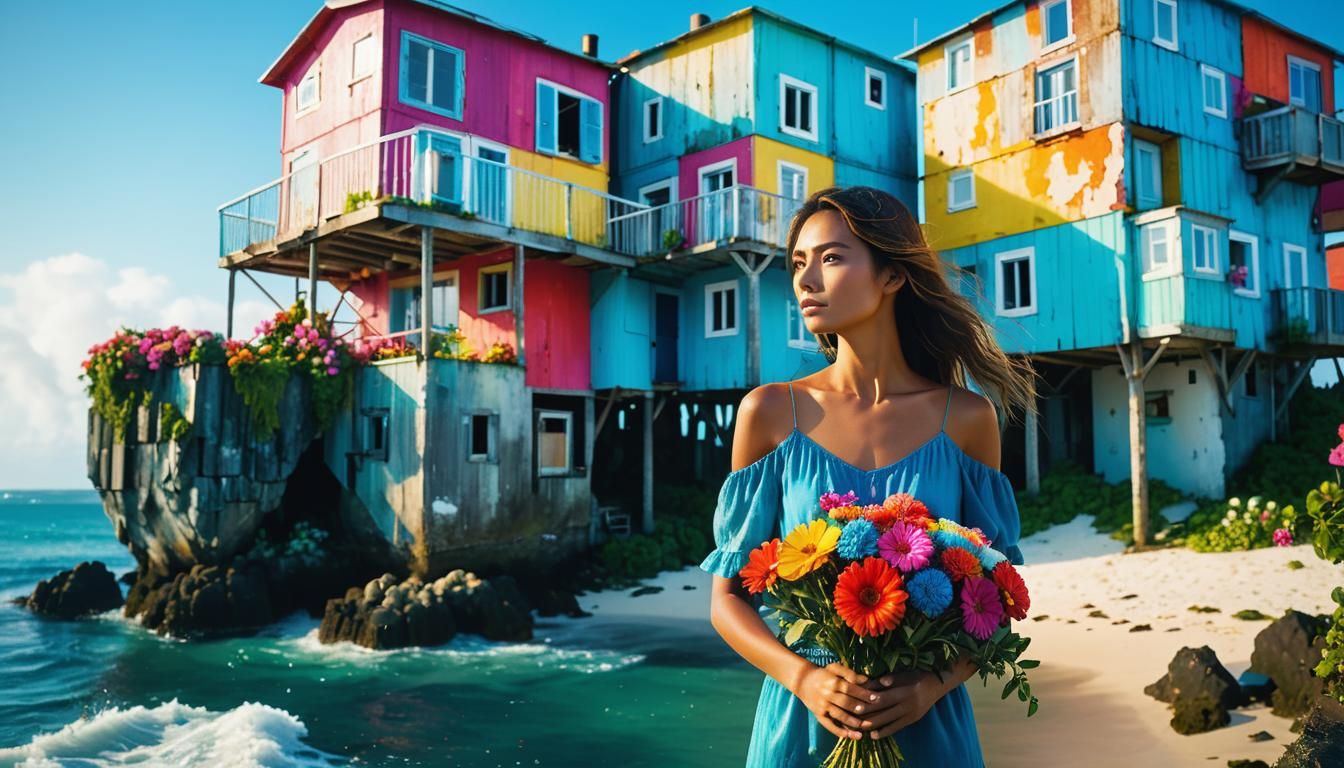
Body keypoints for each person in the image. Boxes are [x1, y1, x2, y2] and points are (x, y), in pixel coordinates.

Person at [700, 185, 1038, 766]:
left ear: (892, 275)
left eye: (830, 258)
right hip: (801, 727)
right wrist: (803, 678)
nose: (806, 281)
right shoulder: (769, 413)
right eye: (799, 263)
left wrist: (931, 686)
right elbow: (727, 599)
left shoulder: (968, 419)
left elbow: (996, 604)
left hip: (929, 729)